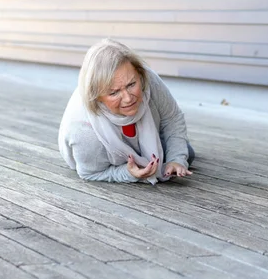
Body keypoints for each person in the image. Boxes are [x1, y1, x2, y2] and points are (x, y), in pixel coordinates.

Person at [58, 38, 194, 184]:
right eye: (114, 93)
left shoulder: (148, 78)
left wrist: (176, 159)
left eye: (131, 84)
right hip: (98, 155)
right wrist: (127, 173)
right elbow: (90, 173)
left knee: (187, 154)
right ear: (97, 97)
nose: (128, 98)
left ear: (139, 74)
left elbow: (171, 117)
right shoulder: (83, 131)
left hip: (141, 142)